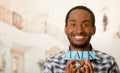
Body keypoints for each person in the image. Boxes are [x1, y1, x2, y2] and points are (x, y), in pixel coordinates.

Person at [42, 5, 120, 73]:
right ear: (65, 29)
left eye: (85, 25)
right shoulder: (51, 63)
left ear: (93, 30)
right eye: (73, 24)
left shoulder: (109, 63)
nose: (79, 30)